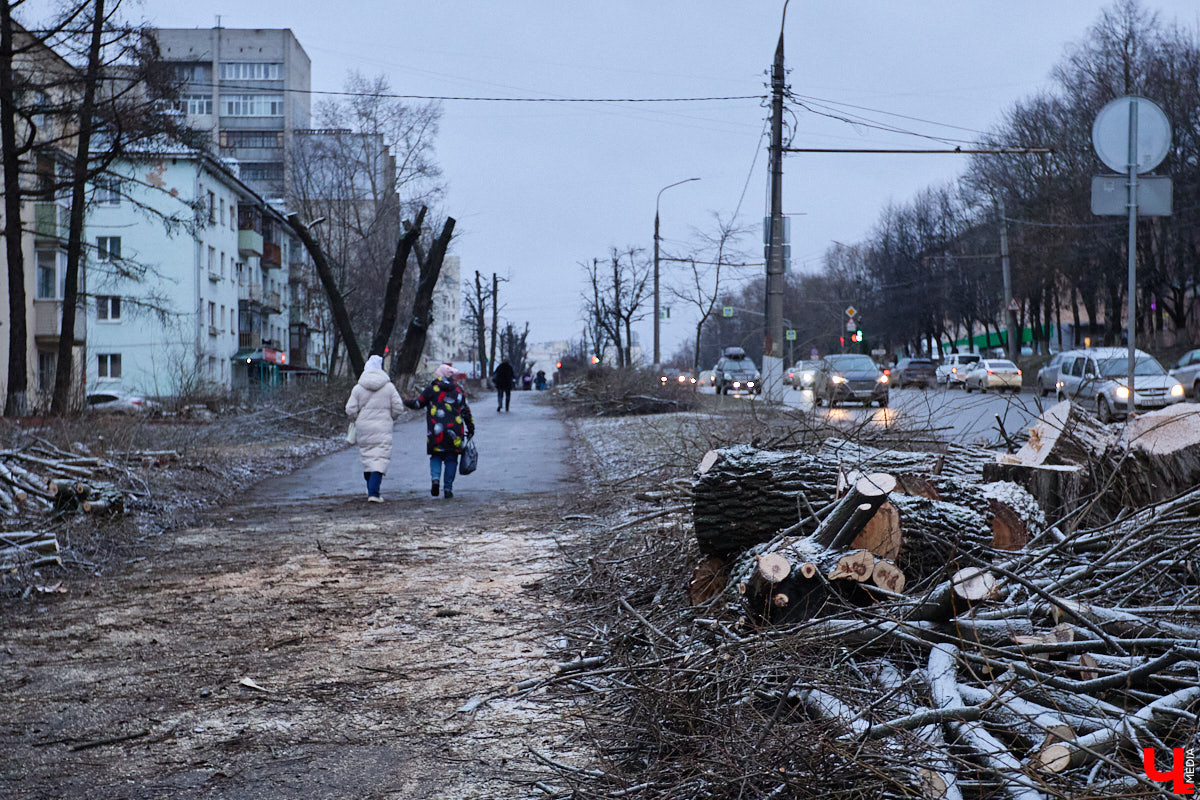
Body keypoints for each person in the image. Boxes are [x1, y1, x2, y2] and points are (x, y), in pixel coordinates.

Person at [405, 363, 475, 499]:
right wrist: (471, 427)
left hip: (436, 431)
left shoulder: (431, 389)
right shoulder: (458, 390)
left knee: (436, 456)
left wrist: (405, 401)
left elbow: (418, 404)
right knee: (451, 459)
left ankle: (435, 480)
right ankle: (448, 488)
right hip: (455, 431)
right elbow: (466, 411)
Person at [345, 353, 404, 503]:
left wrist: (357, 418)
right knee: (379, 459)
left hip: (363, 427)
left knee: (367, 457)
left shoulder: (358, 388)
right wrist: (391, 416)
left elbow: (350, 409)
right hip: (383, 426)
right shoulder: (389, 387)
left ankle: (370, 488)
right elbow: (398, 408)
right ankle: (374, 493)